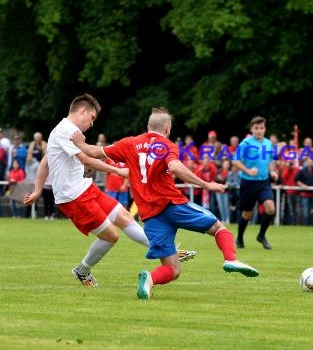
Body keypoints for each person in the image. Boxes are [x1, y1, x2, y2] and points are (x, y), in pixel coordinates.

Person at [71, 107, 259, 300]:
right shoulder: (167, 145)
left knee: (172, 268)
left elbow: (94, 151)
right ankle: (231, 259)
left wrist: (79, 143)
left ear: (148, 126)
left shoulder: (129, 143)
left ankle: (149, 279)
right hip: (172, 204)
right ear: (167, 128)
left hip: (151, 217)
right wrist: (205, 184)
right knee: (218, 228)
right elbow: (175, 166)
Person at [24, 94, 194, 288]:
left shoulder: (64, 130)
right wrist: (118, 170)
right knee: (111, 236)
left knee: (125, 217)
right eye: (92, 118)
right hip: (73, 196)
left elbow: (46, 162)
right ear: (82, 111)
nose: (91, 124)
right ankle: (82, 270)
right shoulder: (65, 130)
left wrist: (37, 190)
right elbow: (86, 160)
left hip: (85, 187)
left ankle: (167, 249)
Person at [232, 116, 279, 250]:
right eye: (256, 128)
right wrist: (248, 170)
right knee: (247, 213)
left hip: (264, 182)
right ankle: (240, 238)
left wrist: (273, 172)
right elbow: (235, 161)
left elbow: (269, 161)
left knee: (271, 209)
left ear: (265, 129)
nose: (259, 130)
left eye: (262, 128)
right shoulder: (245, 143)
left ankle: (261, 236)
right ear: (252, 129)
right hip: (248, 182)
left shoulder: (268, 143)